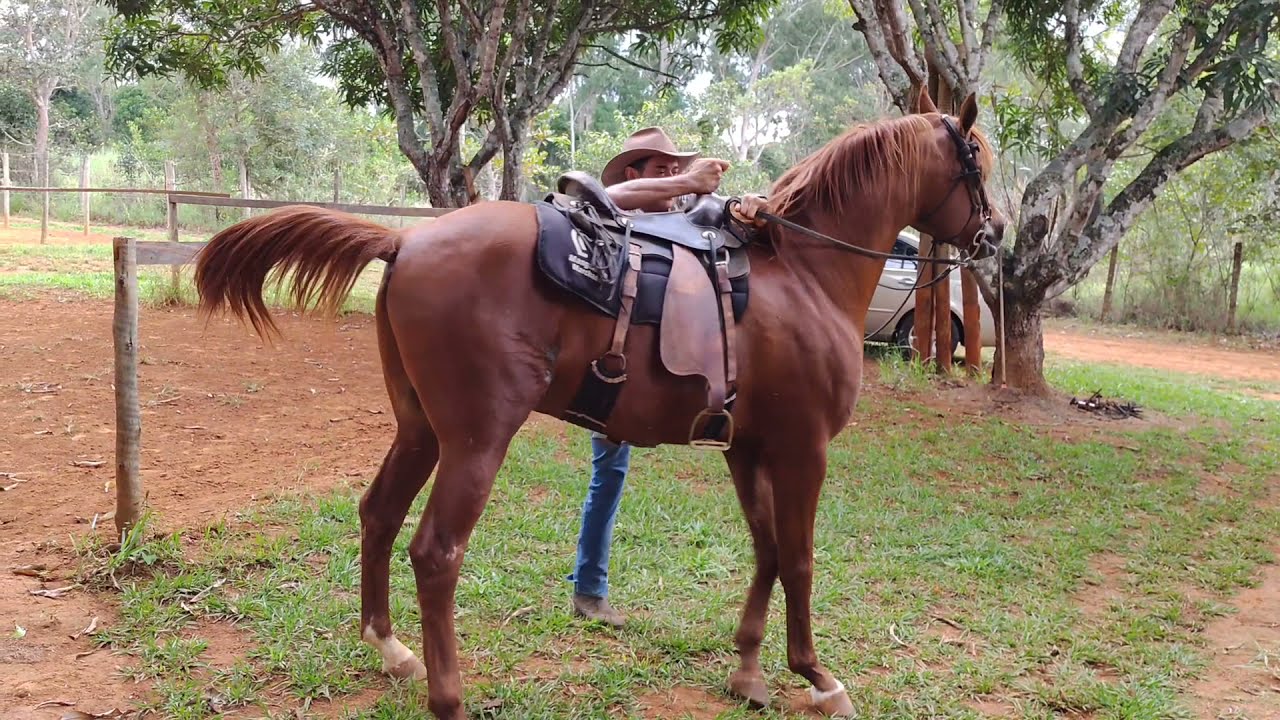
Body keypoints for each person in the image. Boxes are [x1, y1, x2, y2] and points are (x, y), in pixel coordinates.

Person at [567, 127, 767, 627]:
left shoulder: (687, 221)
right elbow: (611, 194)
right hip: (618, 370)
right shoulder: (620, 209)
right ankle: (589, 588)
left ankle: (590, 586)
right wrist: (688, 182)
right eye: (662, 170)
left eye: (676, 169)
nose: (674, 178)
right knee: (607, 476)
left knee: (608, 477)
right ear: (636, 173)